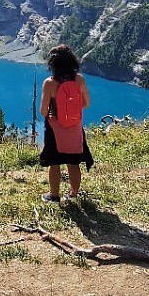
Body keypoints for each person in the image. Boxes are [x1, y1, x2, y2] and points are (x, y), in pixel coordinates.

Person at [39, 44, 94, 203]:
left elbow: (43, 111)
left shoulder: (49, 83)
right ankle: (73, 194)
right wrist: (71, 112)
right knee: (73, 162)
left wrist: (57, 114)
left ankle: (54, 195)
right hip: (75, 127)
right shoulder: (79, 79)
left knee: (54, 162)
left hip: (54, 128)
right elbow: (87, 103)